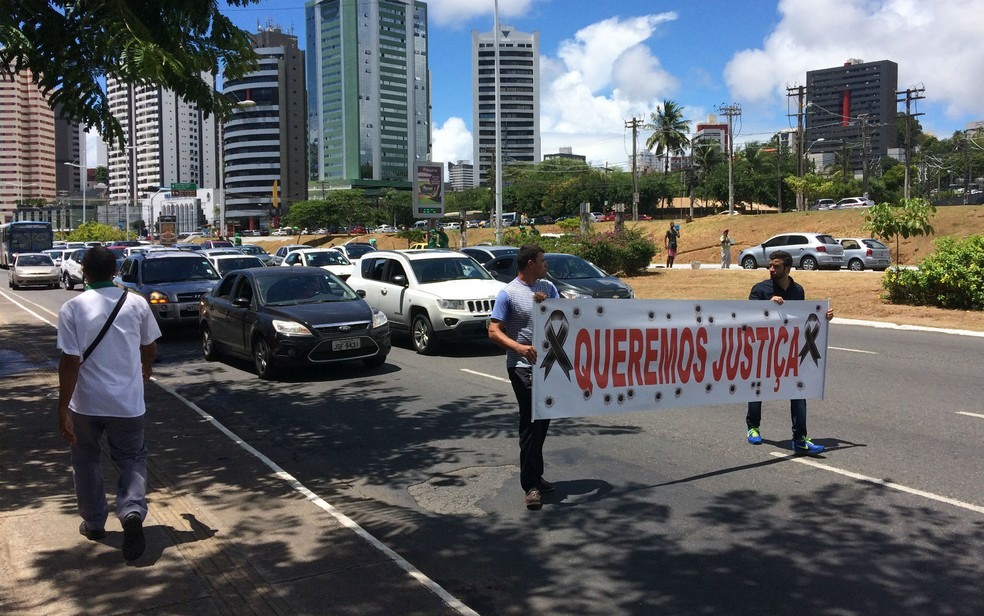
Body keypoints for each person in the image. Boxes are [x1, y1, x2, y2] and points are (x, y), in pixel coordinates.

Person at [56, 246, 162, 561]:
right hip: (128, 405)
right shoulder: (137, 304)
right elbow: (149, 346)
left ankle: (94, 523)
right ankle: (131, 511)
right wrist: (146, 367)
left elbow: (69, 362)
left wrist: (63, 408)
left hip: (86, 404)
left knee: (86, 461)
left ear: (84, 272)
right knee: (131, 459)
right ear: (115, 271)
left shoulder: (72, 308)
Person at [488, 244, 560, 510]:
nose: (546, 265)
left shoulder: (548, 288)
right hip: (520, 365)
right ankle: (530, 486)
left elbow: (563, 318)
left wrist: (549, 303)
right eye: (543, 260)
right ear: (530, 263)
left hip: (548, 366)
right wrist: (519, 347)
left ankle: (536, 475)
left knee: (542, 421)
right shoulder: (508, 294)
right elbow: (494, 331)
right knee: (530, 422)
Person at [745, 250, 833, 455]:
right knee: (757, 387)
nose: (771, 269)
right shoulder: (760, 290)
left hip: (789, 350)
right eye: (770, 266)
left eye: (776, 266)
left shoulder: (797, 290)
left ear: (787, 268)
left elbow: (803, 317)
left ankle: (800, 438)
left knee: (798, 391)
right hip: (764, 349)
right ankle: (753, 427)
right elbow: (747, 316)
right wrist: (768, 306)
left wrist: (823, 316)